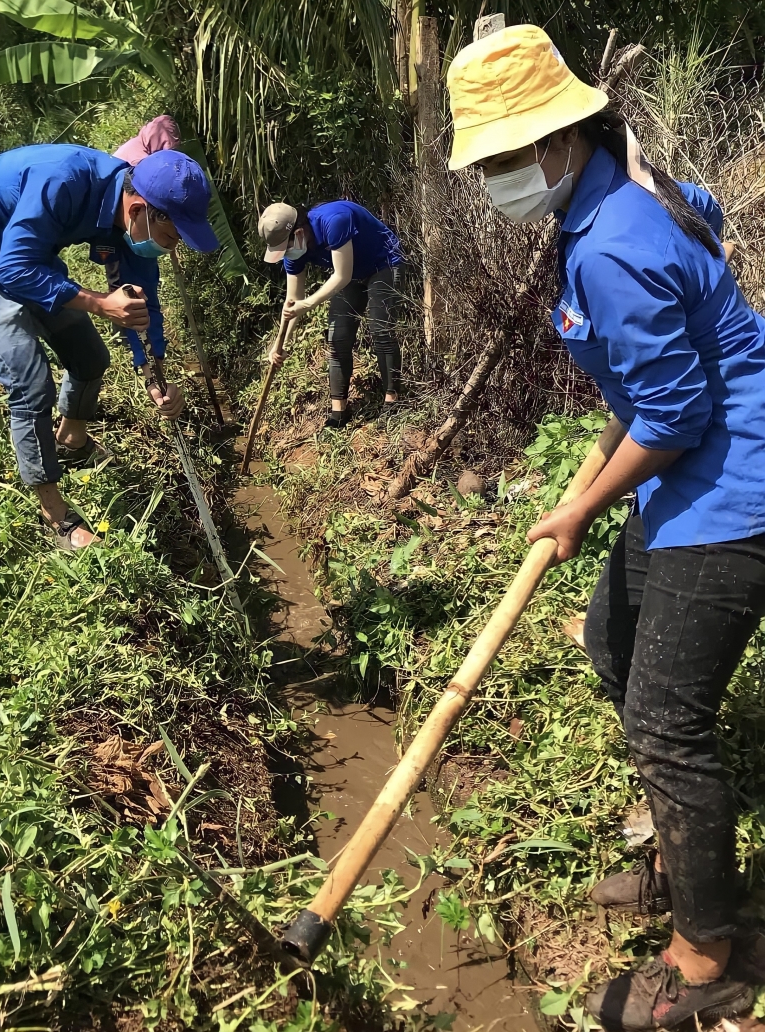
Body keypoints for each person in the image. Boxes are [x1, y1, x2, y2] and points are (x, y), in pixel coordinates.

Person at [447, 23, 765, 1031]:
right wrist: (593, 486)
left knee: (666, 722)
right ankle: (680, 854)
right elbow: (656, 378)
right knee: (609, 638)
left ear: (557, 141)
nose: (494, 177)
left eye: (503, 158)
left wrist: (582, 505)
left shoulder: (614, 245)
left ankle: (710, 957)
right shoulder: (623, 193)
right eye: (486, 160)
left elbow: (673, 414)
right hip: (686, 466)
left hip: (732, 481)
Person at [0, 145, 218, 549]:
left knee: (89, 357)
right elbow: (12, 269)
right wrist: (100, 303)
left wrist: (155, 375)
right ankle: (55, 515)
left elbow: (142, 303)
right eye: (172, 236)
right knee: (32, 384)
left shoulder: (126, 210)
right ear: (139, 210)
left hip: (30, 259)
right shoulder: (62, 181)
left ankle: (72, 440)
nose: (171, 247)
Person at [257, 199, 404, 428]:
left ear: (299, 232)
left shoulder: (334, 221)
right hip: (352, 274)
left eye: (285, 247)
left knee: (381, 330)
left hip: (383, 263)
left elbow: (341, 276)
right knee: (338, 338)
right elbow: (292, 301)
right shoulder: (295, 252)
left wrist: (309, 303)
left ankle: (392, 402)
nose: (286, 253)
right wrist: (280, 345)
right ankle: (339, 413)